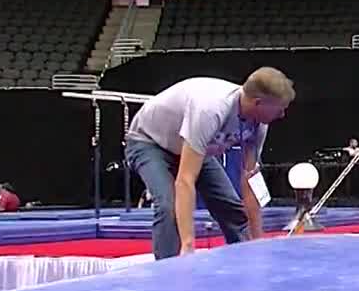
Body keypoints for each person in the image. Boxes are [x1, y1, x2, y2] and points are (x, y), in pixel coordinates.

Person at [125, 67, 295, 260]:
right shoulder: (210, 109)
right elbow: (185, 180)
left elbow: (250, 180)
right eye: (280, 109)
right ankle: (170, 269)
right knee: (168, 205)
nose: (282, 115)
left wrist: (257, 241)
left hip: (192, 148)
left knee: (231, 209)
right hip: (150, 142)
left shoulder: (260, 124)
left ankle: (248, 259)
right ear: (258, 103)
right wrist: (188, 245)